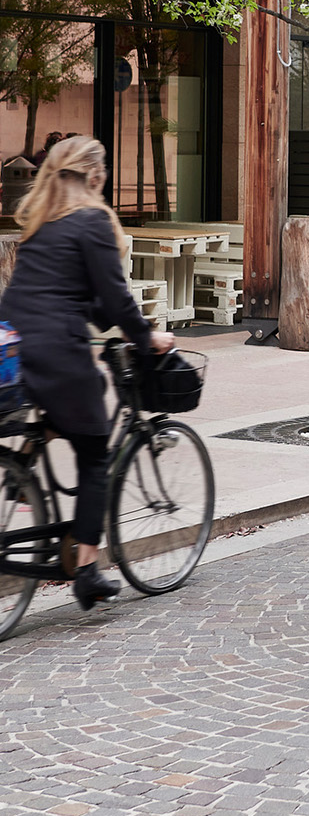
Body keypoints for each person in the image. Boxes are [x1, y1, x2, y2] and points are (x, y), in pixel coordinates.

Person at [0, 136, 175, 610]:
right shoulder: (92, 220)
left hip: (20, 348)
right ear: (95, 176)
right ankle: (89, 570)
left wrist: (101, 319)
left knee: (84, 399)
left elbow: (82, 297)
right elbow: (116, 298)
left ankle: (31, 481)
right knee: (96, 454)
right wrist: (147, 337)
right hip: (58, 352)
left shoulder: (43, 224)